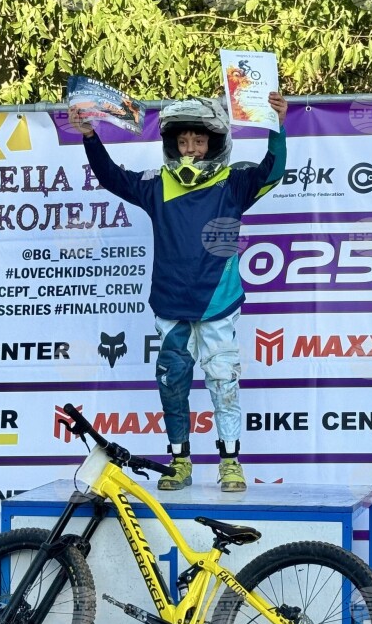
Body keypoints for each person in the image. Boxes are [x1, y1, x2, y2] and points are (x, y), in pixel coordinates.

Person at [70, 92, 288, 491]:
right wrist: (89, 136)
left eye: (199, 141)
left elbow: (272, 172)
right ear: (173, 144)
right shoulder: (156, 184)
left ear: (214, 143)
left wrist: (277, 126)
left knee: (223, 383)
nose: (190, 149)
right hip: (171, 304)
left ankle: (230, 463)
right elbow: (111, 177)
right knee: (172, 384)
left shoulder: (234, 183)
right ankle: (180, 462)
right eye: (183, 141)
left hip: (218, 302)